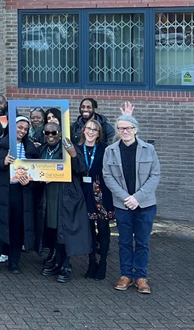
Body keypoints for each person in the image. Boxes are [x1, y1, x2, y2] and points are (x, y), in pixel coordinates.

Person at [103, 112, 161, 294]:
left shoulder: (148, 150)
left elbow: (155, 175)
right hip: (123, 205)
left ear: (135, 129)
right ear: (118, 131)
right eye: (121, 128)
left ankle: (141, 277)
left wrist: (137, 198)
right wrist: (125, 198)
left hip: (145, 205)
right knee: (124, 241)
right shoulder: (110, 150)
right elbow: (107, 176)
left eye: (128, 127)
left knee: (142, 242)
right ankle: (126, 274)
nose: (125, 131)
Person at [0, 115, 40, 274]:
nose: (22, 131)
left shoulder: (31, 148)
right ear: (12, 127)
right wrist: (3, 162)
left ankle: (14, 263)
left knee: (17, 228)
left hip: (20, 192)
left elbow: (37, 172)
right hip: (0, 192)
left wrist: (29, 181)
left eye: (25, 129)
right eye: (19, 127)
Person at [38, 122, 91, 283]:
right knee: (53, 229)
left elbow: (82, 169)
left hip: (66, 195)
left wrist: (73, 154)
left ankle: (66, 265)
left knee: (65, 230)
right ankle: (56, 261)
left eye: (54, 132)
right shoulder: (43, 149)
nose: (51, 135)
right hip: (49, 195)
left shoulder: (69, 147)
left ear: (60, 133)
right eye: (47, 133)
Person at [79, 118, 113, 280]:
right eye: (88, 128)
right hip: (83, 193)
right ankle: (91, 262)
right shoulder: (77, 148)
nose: (91, 132)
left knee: (104, 229)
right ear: (83, 130)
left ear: (99, 134)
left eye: (95, 130)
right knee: (89, 230)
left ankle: (103, 262)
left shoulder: (105, 149)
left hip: (101, 193)